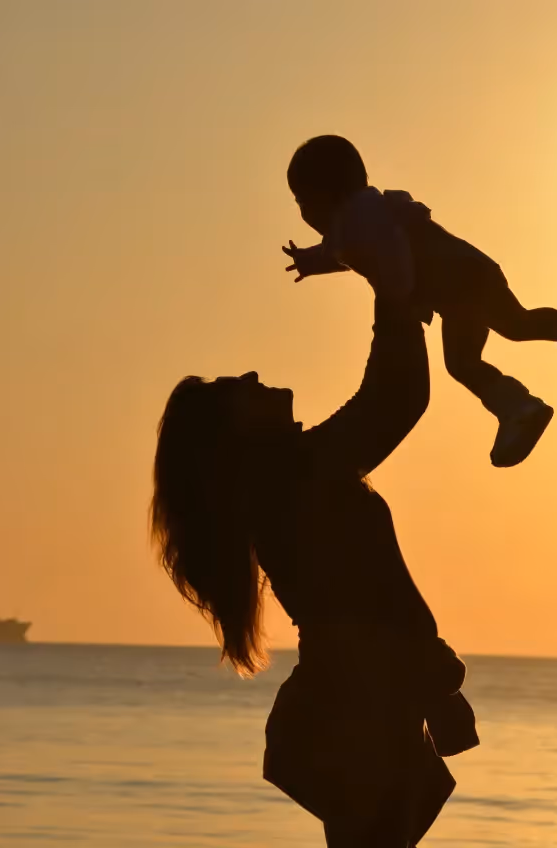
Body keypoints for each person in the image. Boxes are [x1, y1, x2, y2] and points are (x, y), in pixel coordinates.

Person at [150, 272, 475, 846]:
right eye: (237, 388)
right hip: (361, 702)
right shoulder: (292, 476)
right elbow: (393, 400)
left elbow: (392, 400)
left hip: (363, 696)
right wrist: (387, 283)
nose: (253, 376)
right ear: (234, 433)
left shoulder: (288, 475)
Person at [281, 134, 557, 468]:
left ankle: (535, 392)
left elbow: (387, 252)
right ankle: (529, 397)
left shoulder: (360, 219)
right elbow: (344, 252)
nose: (303, 213)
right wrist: (311, 262)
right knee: (500, 336)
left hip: (460, 281)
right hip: (460, 284)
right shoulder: (360, 217)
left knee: (500, 336)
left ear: (326, 195)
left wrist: (397, 296)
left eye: (302, 201)